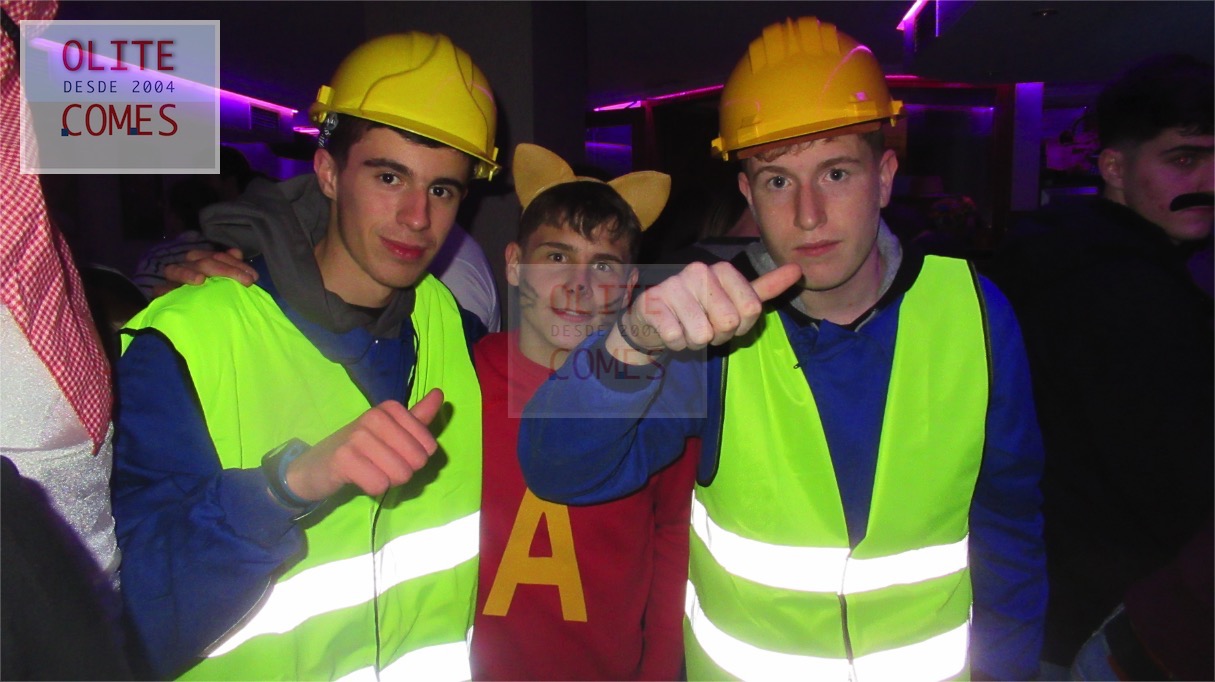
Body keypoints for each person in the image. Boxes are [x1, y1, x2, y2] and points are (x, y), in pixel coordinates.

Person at [518, 16, 1046, 680]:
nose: (807, 214)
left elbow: (1008, 529)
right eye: (776, 181)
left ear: (884, 176)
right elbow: (558, 470)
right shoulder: (707, 322)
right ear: (747, 193)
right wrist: (627, 343)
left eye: (836, 173)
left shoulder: (974, 311)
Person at [111, 31, 499, 679]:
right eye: (388, 177)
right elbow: (126, 625)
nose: (416, 217)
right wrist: (282, 490)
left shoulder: (450, 326)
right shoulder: (186, 343)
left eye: (442, 190)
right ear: (327, 173)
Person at [984, 53, 1213, 676]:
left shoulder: (1063, 252)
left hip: (1041, 597)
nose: (1209, 180)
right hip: (1108, 612)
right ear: (1114, 167)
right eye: (1184, 159)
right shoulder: (1126, 289)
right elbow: (1172, 480)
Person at [471, 143, 694, 680]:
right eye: (556, 257)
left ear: (630, 286)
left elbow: (673, 541)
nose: (579, 285)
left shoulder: (661, 398)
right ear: (515, 265)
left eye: (603, 265)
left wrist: (659, 672)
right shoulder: (462, 375)